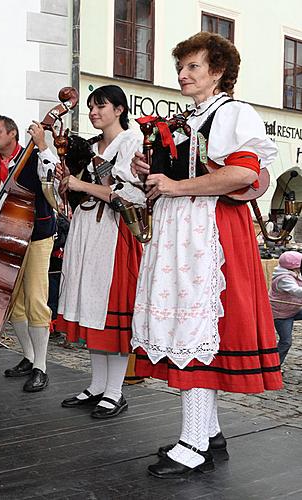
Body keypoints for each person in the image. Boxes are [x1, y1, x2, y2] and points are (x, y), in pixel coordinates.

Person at [130, 32, 282, 478]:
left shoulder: (234, 113)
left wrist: (176, 185)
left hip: (208, 234)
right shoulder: (188, 119)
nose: (183, 74)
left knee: (195, 329)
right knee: (184, 328)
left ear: (218, 72)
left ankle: (194, 444)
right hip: (180, 231)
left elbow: (242, 173)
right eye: (182, 66)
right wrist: (153, 172)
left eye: (194, 66)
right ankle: (209, 435)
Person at [55, 85, 144, 418]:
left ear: (119, 109)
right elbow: (74, 189)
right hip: (86, 228)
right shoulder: (89, 146)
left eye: (100, 106)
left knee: (110, 311)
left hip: (113, 233)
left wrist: (81, 185)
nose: (93, 112)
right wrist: (66, 181)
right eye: (91, 106)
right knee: (90, 307)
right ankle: (97, 385)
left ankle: (116, 391)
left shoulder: (132, 143)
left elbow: (131, 195)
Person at [0, 116, 59, 392]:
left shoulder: (32, 157)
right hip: (6, 238)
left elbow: (51, 176)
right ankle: (29, 357)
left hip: (37, 235)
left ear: (13, 134)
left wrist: (42, 145)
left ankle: (41, 366)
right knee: (12, 303)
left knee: (36, 299)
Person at [269, 250, 302, 365]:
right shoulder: (283, 279)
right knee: (286, 341)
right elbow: (296, 291)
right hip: (282, 314)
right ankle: (275, 366)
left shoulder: (295, 272)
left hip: (294, 309)